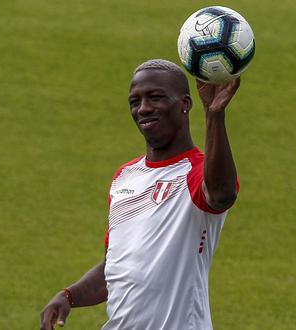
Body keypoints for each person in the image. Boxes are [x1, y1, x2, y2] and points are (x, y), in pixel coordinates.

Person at [40, 59, 240, 330]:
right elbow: (115, 267)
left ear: (185, 103)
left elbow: (221, 194)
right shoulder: (125, 177)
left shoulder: (197, 173)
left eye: (156, 97)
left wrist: (214, 115)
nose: (143, 108)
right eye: (135, 101)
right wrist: (69, 296)